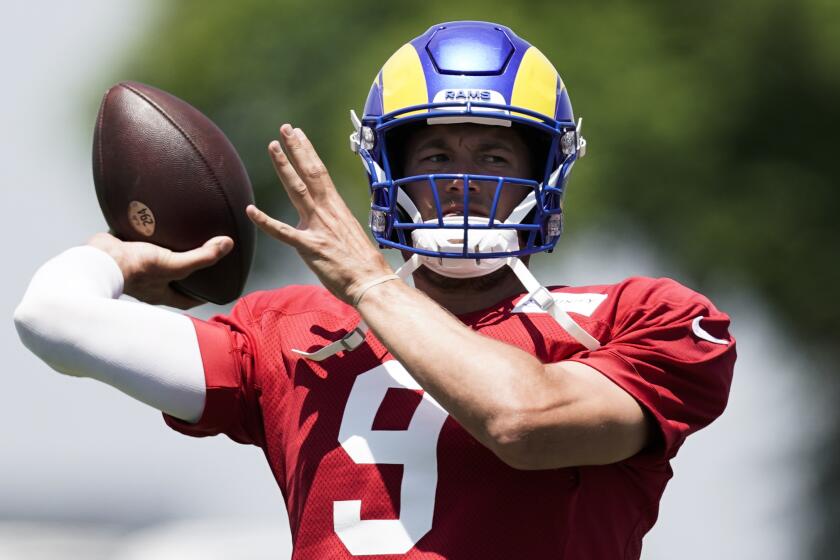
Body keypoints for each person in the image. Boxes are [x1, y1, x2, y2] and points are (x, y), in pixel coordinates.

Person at [14, 21, 736, 559]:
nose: (464, 178)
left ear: (547, 169)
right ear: (387, 169)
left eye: (493, 152)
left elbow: (523, 422)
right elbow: (52, 318)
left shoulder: (642, 317)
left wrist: (365, 283)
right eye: (434, 153)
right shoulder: (291, 329)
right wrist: (109, 256)